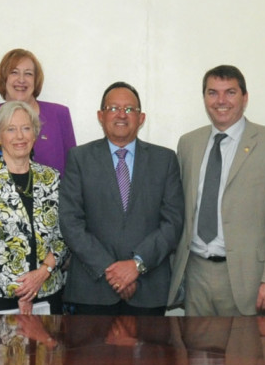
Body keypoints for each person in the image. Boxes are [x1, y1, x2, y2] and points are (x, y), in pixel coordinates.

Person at [169, 65, 265, 316]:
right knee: (197, 354)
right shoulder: (188, 144)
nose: (221, 101)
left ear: (245, 97)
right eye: (212, 93)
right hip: (195, 273)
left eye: (230, 92)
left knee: (245, 354)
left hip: (248, 278)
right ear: (204, 98)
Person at [59, 82, 183, 315]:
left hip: (149, 290)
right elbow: (70, 221)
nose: (121, 115)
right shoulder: (79, 158)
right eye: (113, 107)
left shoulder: (165, 160)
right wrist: (113, 272)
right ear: (101, 115)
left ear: (141, 117)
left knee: (151, 353)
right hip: (92, 289)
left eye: (129, 109)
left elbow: (173, 223)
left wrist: (137, 265)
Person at [0, 100, 68, 314]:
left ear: (35, 134)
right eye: (11, 129)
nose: (20, 136)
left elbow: (65, 234)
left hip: (47, 290)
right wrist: (21, 292)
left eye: (26, 128)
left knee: (47, 348)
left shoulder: (52, 178)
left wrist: (43, 272)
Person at [0, 48, 76, 174]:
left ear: (35, 80)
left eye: (28, 74)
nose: (21, 80)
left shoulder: (59, 115)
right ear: (4, 78)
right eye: (14, 72)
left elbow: (73, 172)